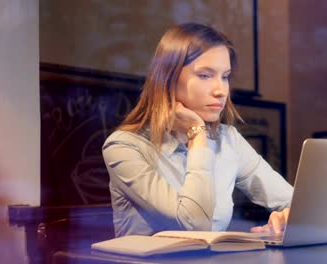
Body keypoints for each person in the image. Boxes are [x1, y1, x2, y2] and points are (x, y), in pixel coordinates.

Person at [102, 22, 293, 237]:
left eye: (225, 76)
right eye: (205, 75)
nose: (221, 90)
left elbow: (295, 202)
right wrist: (197, 134)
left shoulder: (228, 139)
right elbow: (194, 226)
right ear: (168, 79)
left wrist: (288, 216)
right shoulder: (124, 147)